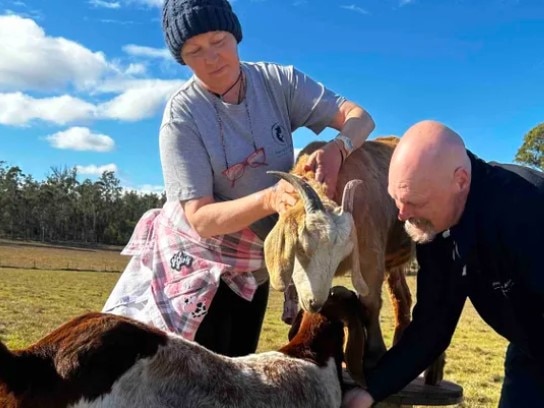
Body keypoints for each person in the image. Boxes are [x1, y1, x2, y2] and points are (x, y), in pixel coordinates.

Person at [102, 0, 375, 358]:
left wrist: (339, 149)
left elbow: (359, 117)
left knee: (238, 364)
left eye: (218, 41)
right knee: (196, 374)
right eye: (194, 51)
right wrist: (269, 199)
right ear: (181, 58)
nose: (212, 58)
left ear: (236, 35)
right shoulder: (182, 115)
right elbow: (200, 218)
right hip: (198, 262)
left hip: (253, 263)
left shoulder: (278, 82)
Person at [343, 120, 544, 408]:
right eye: (396, 200)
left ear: (460, 181)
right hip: (531, 348)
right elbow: (432, 326)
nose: (401, 215)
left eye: (414, 202)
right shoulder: (434, 228)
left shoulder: (528, 210)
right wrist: (370, 391)